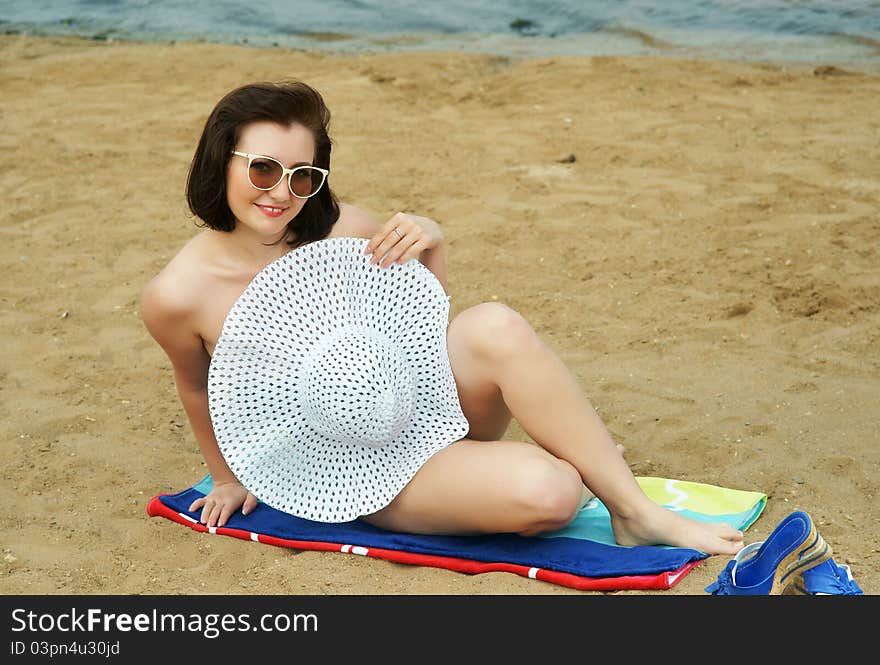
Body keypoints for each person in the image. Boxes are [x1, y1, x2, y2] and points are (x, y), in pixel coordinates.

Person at [140, 79, 745, 556]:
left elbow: (418, 333)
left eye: (302, 176)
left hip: (415, 407)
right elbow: (196, 385)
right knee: (552, 491)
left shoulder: (346, 229)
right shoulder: (178, 295)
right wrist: (227, 477)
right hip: (346, 468)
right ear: (222, 160)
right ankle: (579, 468)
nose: (281, 193)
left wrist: (433, 245)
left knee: (495, 324)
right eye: (263, 169)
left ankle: (634, 511)